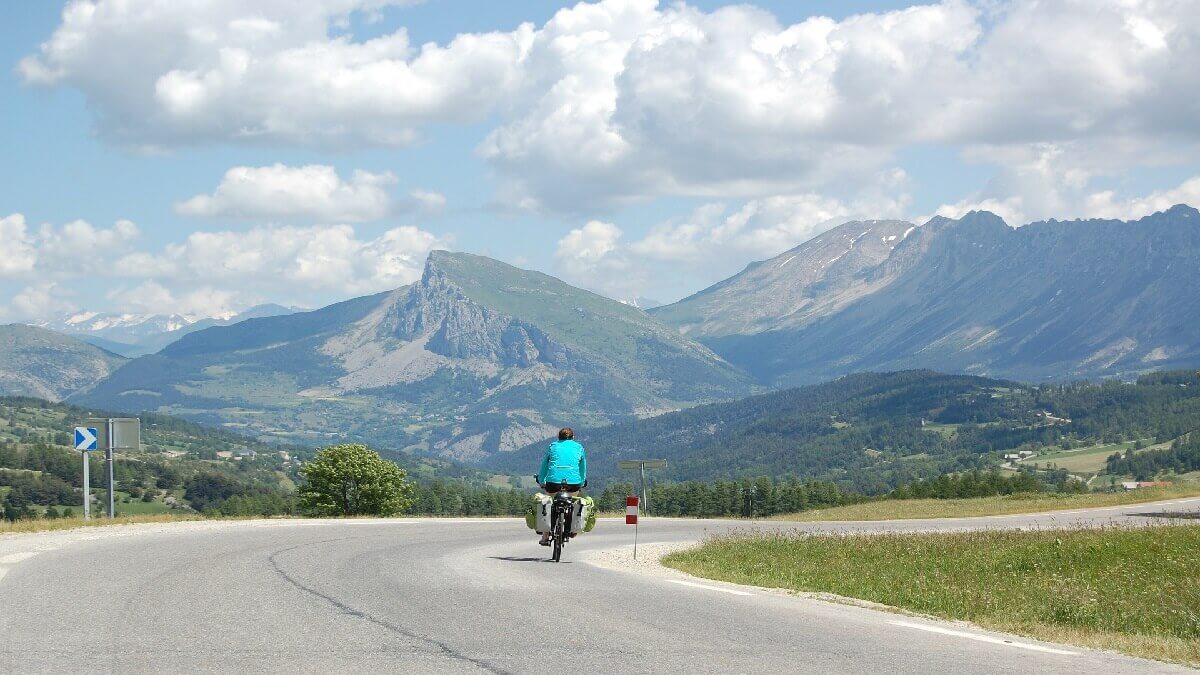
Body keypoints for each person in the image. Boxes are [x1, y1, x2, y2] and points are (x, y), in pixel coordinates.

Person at [536, 427, 587, 545]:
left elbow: (545, 464)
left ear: (558, 437)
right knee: (574, 501)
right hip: (573, 483)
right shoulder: (579, 447)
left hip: (553, 482)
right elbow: (582, 467)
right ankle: (573, 528)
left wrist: (541, 480)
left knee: (549, 502)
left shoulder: (553, 446)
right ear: (573, 438)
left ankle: (545, 536)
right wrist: (582, 482)